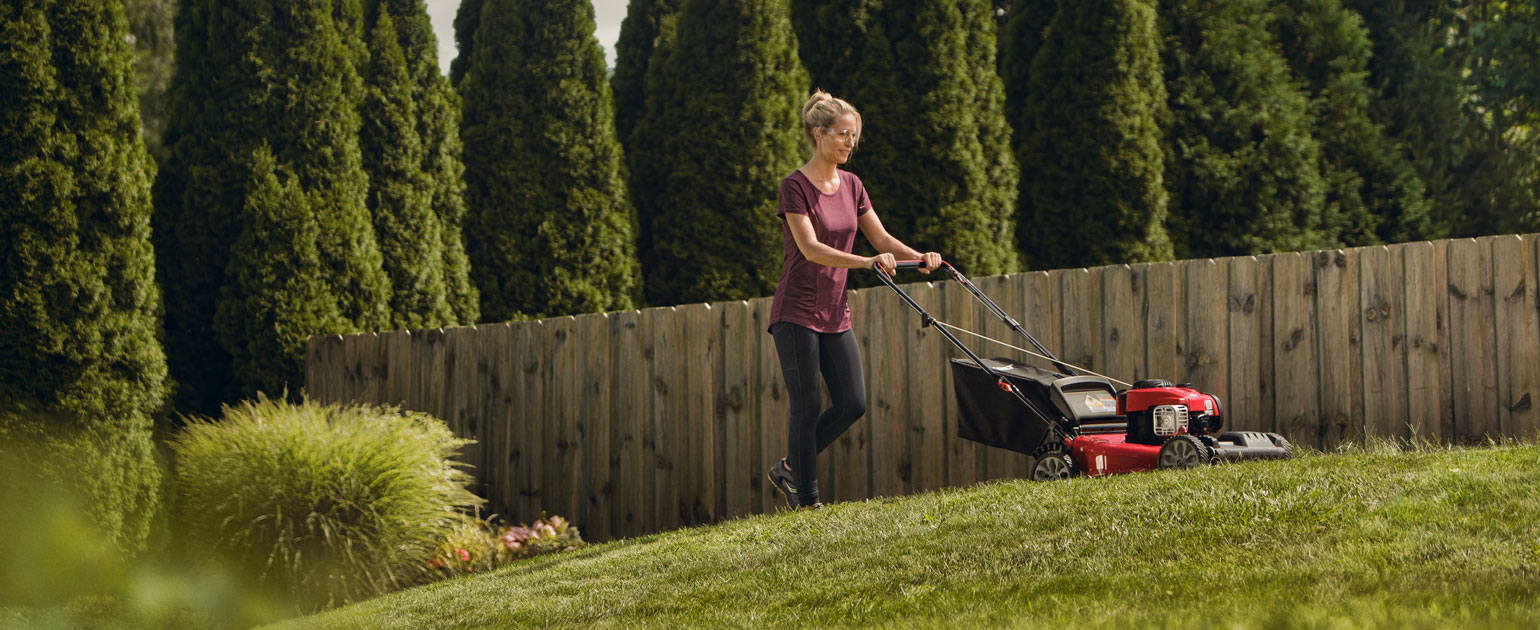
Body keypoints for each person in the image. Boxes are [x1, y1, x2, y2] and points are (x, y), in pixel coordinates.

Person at [765, 90, 941, 509]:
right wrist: (866, 262)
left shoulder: (853, 185)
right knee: (806, 405)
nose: (849, 143)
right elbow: (810, 249)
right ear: (818, 133)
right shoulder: (794, 188)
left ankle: (791, 467)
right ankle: (806, 500)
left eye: (854, 137)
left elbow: (880, 239)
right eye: (843, 135)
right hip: (796, 311)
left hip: (834, 311)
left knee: (852, 403)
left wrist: (919, 257)